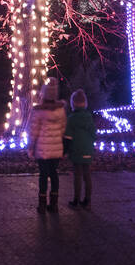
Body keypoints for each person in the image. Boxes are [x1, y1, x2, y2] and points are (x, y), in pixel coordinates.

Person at [27, 77, 66, 214]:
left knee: (43, 175)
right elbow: (62, 129)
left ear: (44, 93)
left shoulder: (38, 111)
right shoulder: (60, 110)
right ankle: (54, 204)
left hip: (42, 149)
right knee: (54, 174)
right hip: (56, 149)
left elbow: (33, 131)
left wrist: (30, 147)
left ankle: (42, 204)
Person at [64, 88, 95, 209]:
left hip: (76, 151)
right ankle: (87, 200)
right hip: (87, 150)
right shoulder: (89, 117)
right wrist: (90, 144)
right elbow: (94, 133)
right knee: (87, 175)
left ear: (73, 103)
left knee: (77, 176)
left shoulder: (71, 119)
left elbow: (68, 136)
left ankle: (76, 200)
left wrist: (65, 151)